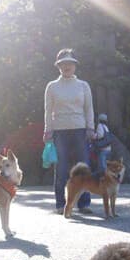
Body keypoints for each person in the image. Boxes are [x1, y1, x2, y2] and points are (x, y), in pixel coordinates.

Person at [43, 48, 94, 214]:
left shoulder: (83, 85)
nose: (67, 66)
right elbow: (47, 110)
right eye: (63, 63)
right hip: (59, 131)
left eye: (70, 63)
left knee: (83, 167)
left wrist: (90, 128)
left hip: (80, 129)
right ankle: (61, 204)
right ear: (58, 66)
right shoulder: (52, 86)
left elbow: (89, 108)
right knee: (62, 168)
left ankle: (84, 203)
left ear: (75, 65)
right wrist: (47, 131)